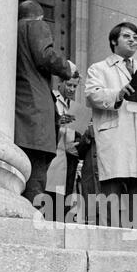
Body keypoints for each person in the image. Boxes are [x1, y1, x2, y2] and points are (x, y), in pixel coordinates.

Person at [85, 22, 137, 229]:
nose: (133, 40)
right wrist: (118, 94)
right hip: (115, 137)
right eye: (127, 36)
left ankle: (136, 241)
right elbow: (92, 94)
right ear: (114, 41)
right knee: (112, 197)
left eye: (135, 36)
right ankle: (109, 239)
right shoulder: (99, 68)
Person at [14, 0, 77, 206]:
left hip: (19, 116)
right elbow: (45, 56)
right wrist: (67, 67)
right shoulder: (36, 26)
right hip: (36, 116)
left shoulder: (12, 30)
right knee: (36, 180)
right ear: (40, 17)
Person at [45, 73, 82, 221]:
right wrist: (58, 122)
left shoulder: (75, 107)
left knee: (61, 209)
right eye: (69, 85)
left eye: (75, 86)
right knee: (47, 203)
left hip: (68, 164)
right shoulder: (50, 99)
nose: (72, 89)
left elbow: (74, 139)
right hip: (51, 161)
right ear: (60, 83)